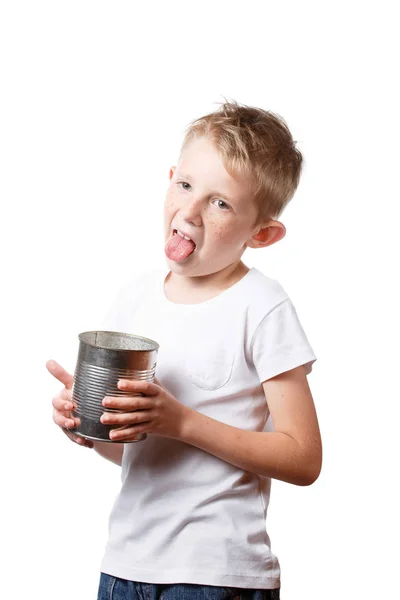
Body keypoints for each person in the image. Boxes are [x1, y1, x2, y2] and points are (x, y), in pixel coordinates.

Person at [47, 100, 322, 600]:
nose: (190, 211)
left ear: (261, 234)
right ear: (170, 177)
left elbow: (303, 459)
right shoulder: (134, 298)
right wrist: (90, 423)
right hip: (125, 567)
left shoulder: (261, 306)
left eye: (221, 203)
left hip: (215, 574)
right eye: (187, 185)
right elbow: (136, 454)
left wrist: (183, 421)